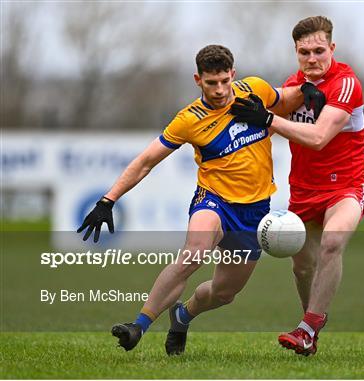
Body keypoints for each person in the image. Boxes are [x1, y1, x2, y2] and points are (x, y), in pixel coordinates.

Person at [77, 44, 325, 355]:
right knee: (193, 254)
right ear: (198, 80)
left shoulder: (255, 90)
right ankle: (138, 325)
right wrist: (107, 200)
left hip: (255, 212)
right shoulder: (188, 119)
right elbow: (145, 161)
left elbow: (287, 97)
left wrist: (307, 90)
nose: (220, 90)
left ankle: (182, 315)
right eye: (211, 83)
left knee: (223, 293)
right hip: (214, 200)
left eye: (224, 81)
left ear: (232, 74)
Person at [231, 16, 364, 356]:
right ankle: (311, 330)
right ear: (296, 53)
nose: (312, 59)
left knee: (332, 245)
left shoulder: (346, 84)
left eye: (319, 50)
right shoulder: (294, 84)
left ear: (332, 49)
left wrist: (268, 118)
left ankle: (307, 327)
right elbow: (267, 126)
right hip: (305, 191)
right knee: (302, 266)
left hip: (346, 188)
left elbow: (320, 137)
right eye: (304, 52)